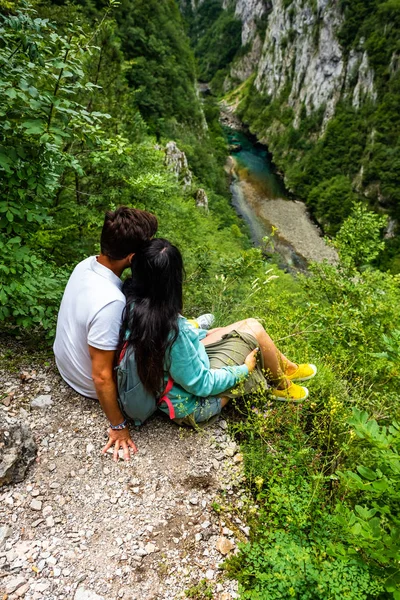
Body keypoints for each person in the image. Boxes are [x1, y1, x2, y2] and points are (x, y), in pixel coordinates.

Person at [118, 238, 317, 428]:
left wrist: (205, 332)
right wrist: (244, 370)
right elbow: (201, 384)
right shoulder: (172, 329)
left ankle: (286, 369)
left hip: (173, 379)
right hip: (190, 407)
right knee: (252, 333)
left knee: (247, 325)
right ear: (173, 282)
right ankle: (281, 384)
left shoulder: (133, 304)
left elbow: (171, 352)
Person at [54, 206, 158, 459]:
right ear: (133, 258)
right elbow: (101, 376)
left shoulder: (87, 264)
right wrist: (118, 426)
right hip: (86, 383)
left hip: (65, 364)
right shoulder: (111, 302)